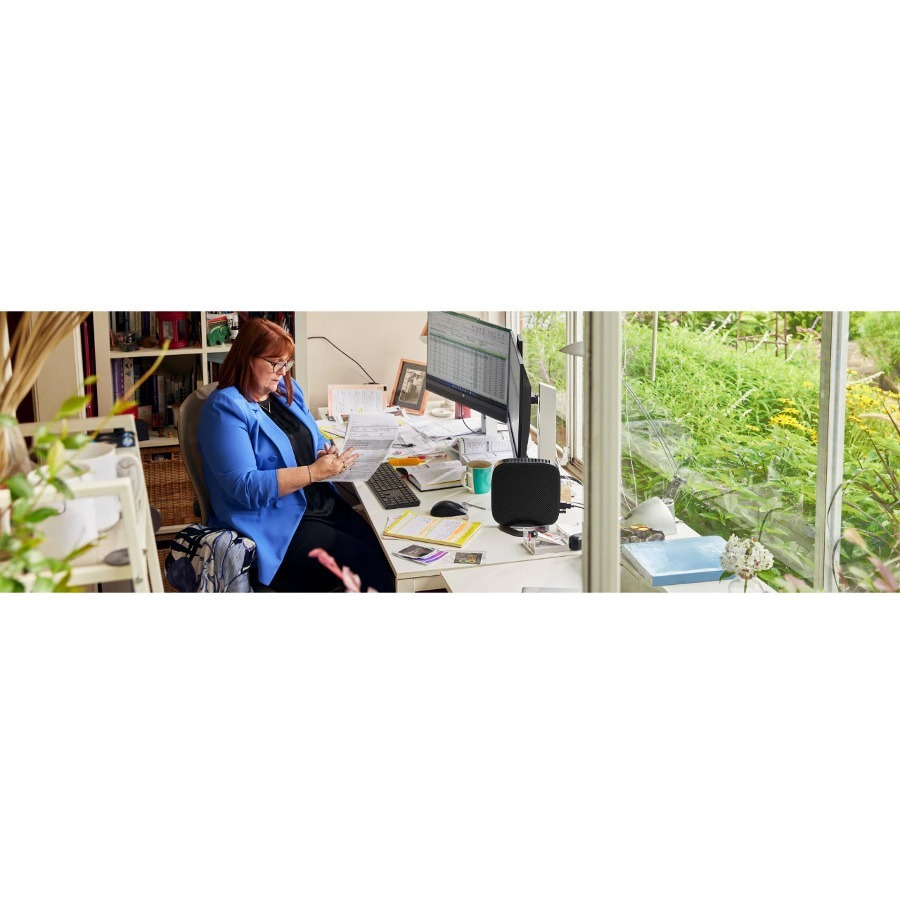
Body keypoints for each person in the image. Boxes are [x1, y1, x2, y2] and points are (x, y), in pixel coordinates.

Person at [197, 317, 395, 592]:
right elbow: (244, 487)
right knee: (366, 566)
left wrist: (326, 451)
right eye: (275, 363)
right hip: (275, 525)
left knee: (385, 555)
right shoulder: (224, 409)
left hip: (319, 505)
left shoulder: (286, 391)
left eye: (286, 363)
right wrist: (313, 473)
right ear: (247, 358)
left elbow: (314, 438)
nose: (282, 371)